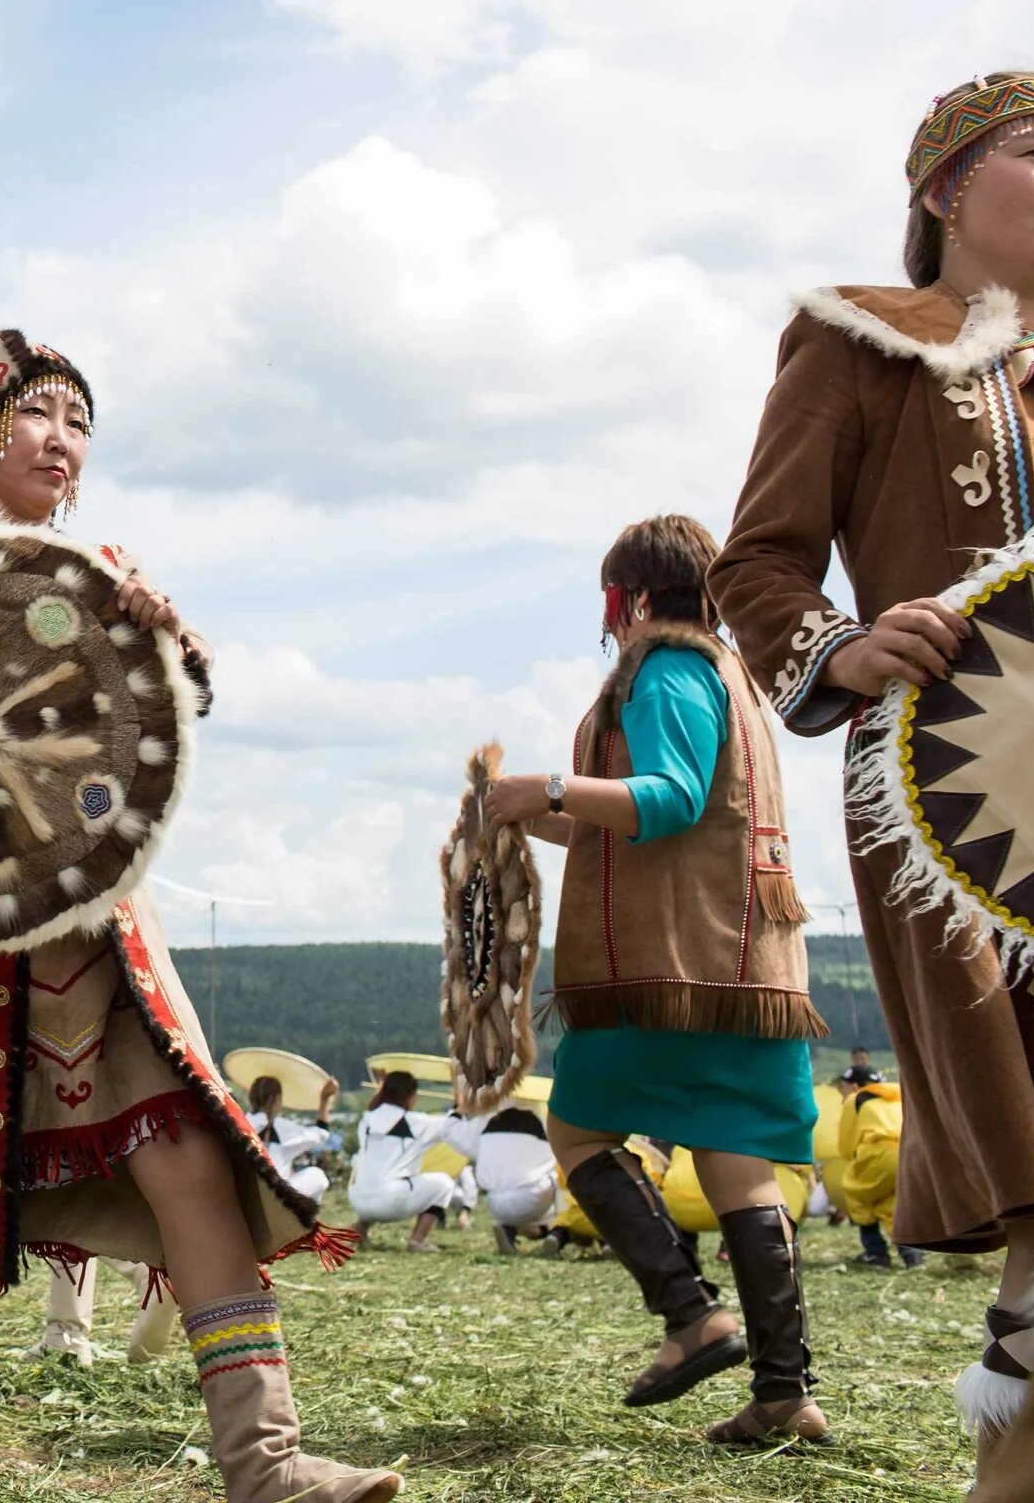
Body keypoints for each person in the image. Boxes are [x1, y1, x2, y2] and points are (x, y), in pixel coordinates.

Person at [708, 70, 1034, 1497]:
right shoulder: (863, 345)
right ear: (943, 192)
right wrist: (845, 647)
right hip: (975, 825)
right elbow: (760, 561)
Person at [0, 332, 392, 1503]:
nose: (62, 438)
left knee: (185, 1163)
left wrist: (167, 641)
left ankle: (265, 1464)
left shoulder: (102, 568)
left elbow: (163, 714)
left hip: (94, 942)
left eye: (79, 418)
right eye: (38, 413)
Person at [485, 514, 827, 1443]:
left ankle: (690, 1315)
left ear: (630, 594)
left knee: (579, 1127)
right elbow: (643, 821)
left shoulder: (666, 667)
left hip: (671, 965)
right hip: (746, 966)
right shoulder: (731, 671)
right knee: (736, 1168)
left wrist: (548, 789)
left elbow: (670, 801)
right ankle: (784, 1397)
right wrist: (534, 816)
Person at [349, 1074, 465, 1252]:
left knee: (377, 1179)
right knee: (444, 1184)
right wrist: (459, 1092)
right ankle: (417, 1240)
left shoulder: (366, 1120)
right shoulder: (416, 1123)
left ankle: (360, 1228)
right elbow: (454, 1123)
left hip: (357, 1200)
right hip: (387, 1202)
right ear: (412, 1097)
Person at [832, 1079, 926, 1272]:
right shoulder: (897, 1095)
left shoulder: (856, 1099)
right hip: (909, 1151)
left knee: (857, 1194)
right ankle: (912, 1254)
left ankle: (876, 1254)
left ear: (855, 1085)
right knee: (891, 1202)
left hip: (877, 1151)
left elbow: (846, 1141)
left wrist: (853, 1159)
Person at [448, 1105, 562, 1253]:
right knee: (559, 1180)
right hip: (532, 1200)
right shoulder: (538, 1125)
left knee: (531, 1213)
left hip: (496, 1204)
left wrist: (459, 1109)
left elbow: (450, 1133)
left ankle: (510, 1231)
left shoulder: (488, 1126)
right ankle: (558, 1232)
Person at [245, 1075, 340, 1203]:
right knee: (318, 1176)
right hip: (274, 1201)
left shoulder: (241, 1122)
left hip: (246, 1199)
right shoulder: (279, 1126)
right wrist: (324, 1098)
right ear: (277, 1099)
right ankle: (303, 1222)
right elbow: (322, 1133)